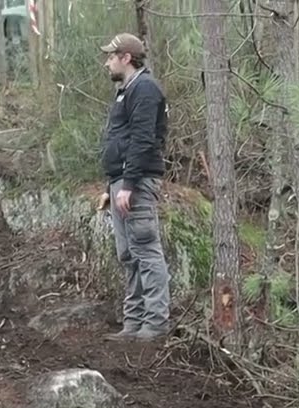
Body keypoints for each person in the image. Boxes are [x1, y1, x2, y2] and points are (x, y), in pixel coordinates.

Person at [96, 33, 171, 342]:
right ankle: (133, 324)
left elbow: (143, 139)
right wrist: (111, 185)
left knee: (145, 250)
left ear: (126, 57)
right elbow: (120, 141)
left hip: (136, 183)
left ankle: (155, 325)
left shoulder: (145, 90)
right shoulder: (125, 91)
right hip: (122, 182)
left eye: (111, 56)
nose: (107, 62)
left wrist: (127, 184)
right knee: (128, 254)